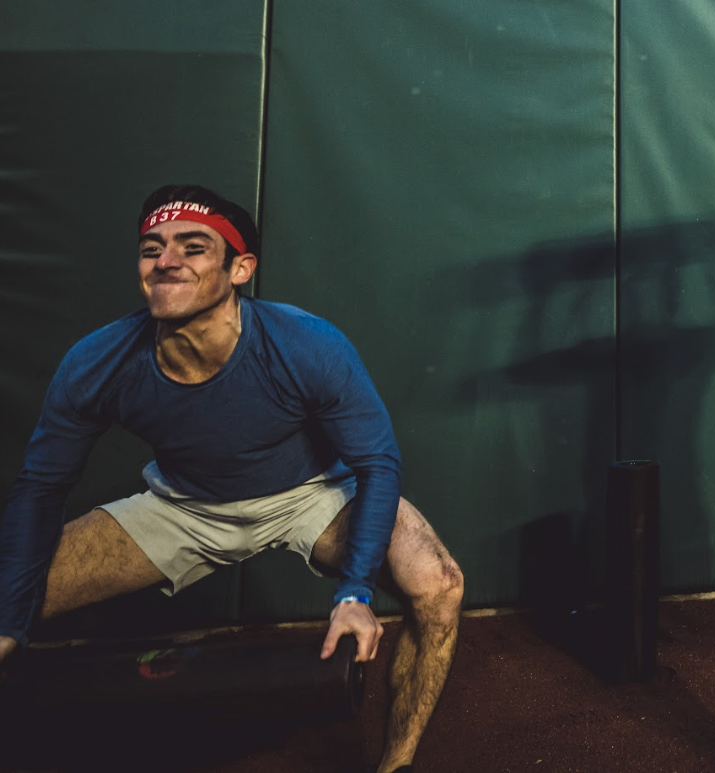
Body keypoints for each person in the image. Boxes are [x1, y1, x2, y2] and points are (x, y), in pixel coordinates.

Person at [0, 186, 464, 773]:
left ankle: (397, 767)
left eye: (193, 247)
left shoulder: (307, 344)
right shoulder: (97, 362)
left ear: (240, 268)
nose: (166, 261)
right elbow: (40, 489)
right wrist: (9, 622)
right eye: (152, 248)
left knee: (439, 583)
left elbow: (377, 466)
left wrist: (354, 592)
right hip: (183, 507)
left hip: (311, 495)